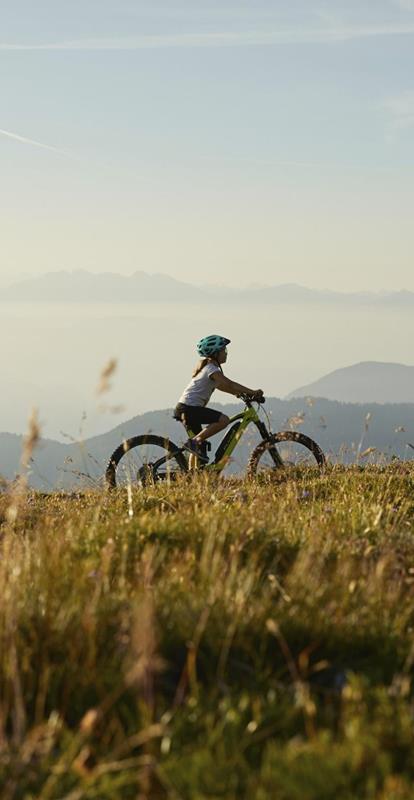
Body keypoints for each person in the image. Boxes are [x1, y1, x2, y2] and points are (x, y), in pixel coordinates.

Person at [174, 334, 264, 464]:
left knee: (200, 449)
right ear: (215, 353)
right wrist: (252, 392)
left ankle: (191, 476)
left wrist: (238, 394)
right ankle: (193, 443)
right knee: (224, 420)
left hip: (185, 409)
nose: (226, 353)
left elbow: (222, 386)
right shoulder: (211, 368)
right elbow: (229, 384)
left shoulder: (209, 368)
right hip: (189, 409)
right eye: (223, 350)